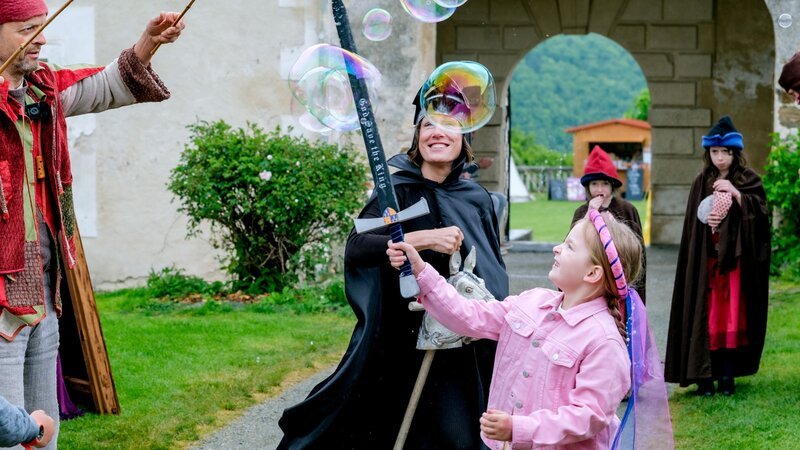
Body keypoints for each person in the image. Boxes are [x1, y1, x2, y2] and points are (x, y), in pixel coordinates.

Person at [0, 1, 185, 448]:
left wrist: (148, 43)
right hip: (1, 294)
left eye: (43, 27)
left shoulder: (43, 90)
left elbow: (104, 85)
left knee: (43, 431)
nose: (42, 38)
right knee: (6, 430)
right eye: (28, 28)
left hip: (43, 284)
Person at [278, 93, 509, 449]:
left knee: (457, 433)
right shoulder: (396, 192)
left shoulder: (476, 198)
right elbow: (358, 245)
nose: (437, 133)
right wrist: (422, 238)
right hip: (402, 337)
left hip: (460, 341)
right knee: (383, 426)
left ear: (465, 139)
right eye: (428, 124)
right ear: (417, 136)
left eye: (449, 125)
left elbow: (493, 267)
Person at [387, 208, 643, 449]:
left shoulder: (604, 342)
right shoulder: (532, 302)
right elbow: (470, 316)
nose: (556, 248)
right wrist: (421, 272)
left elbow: (587, 416)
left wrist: (519, 428)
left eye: (569, 246)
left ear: (592, 273)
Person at [664, 116, 771, 397]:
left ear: (735, 153)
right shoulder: (702, 181)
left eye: (726, 152)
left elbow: (760, 216)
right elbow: (692, 227)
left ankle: (727, 376)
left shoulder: (747, 180)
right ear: (708, 153)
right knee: (706, 316)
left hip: (734, 266)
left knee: (731, 318)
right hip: (707, 264)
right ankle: (703, 376)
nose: (720, 158)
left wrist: (736, 195)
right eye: (715, 152)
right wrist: (707, 221)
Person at [571, 145, 645, 303]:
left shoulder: (627, 209)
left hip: (620, 278)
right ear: (588, 187)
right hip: (591, 278)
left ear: (612, 185)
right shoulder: (581, 211)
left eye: (604, 183)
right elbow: (572, 245)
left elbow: (638, 252)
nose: (599, 189)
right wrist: (589, 214)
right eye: (594, 184)